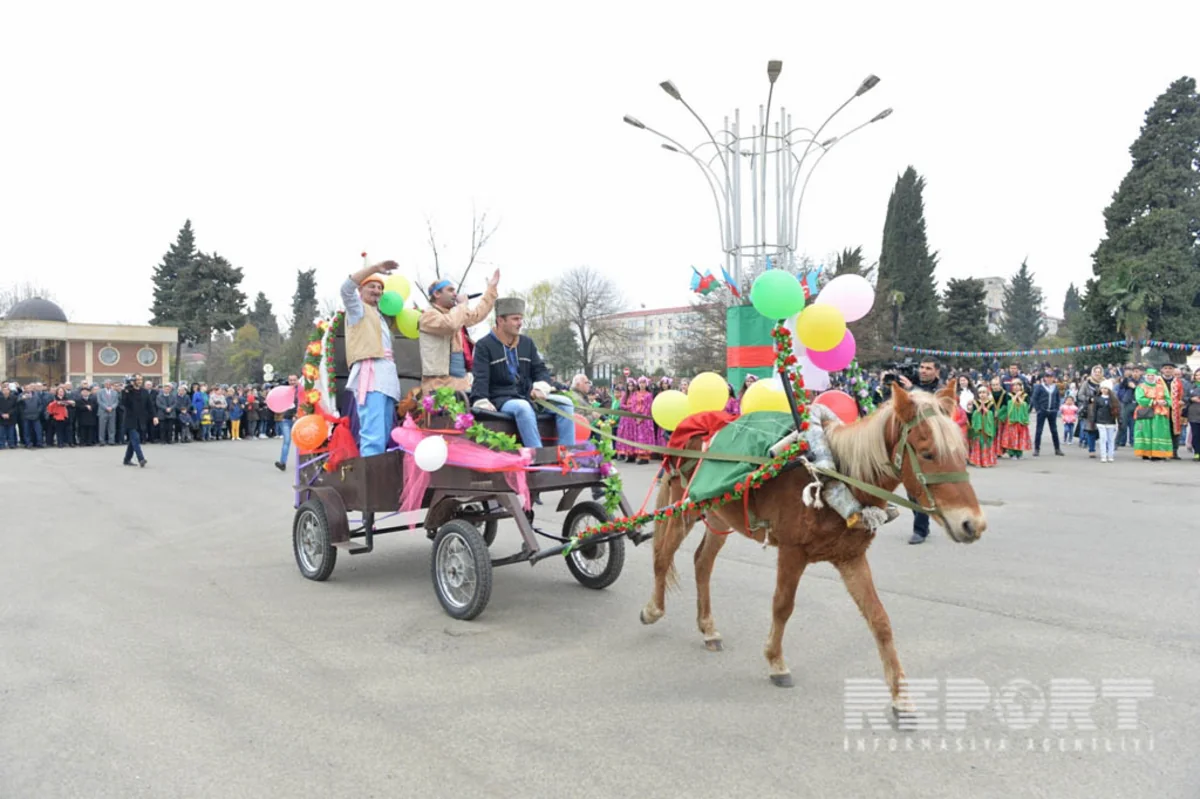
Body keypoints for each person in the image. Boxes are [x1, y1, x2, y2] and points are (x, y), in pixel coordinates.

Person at [469, 297, 575, 449]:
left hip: (527, 396)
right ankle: (537, 454)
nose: (520, 323)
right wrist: (481, 400)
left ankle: (566, 453)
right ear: (500, 320)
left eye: (521, 318)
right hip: (501, 399)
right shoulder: (484, 345)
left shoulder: (527, 343)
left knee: (565, 403)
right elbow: (481, 377)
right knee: (523, 407)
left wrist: (540, 387)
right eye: (515, 319)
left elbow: (540, 370)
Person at [340, 259, 403, 457]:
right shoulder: (357, 309)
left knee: (385, 433)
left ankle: (380, 473)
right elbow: (345, 289)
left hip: (386, 377)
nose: (377, 290)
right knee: (373, 436)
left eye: (380, 287)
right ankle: (370, 475)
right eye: (371, 286)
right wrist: (375, 268)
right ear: (360, 289)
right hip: (371, 376)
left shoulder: (381, 316)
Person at [879, 357, 941, 544]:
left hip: (928, 444)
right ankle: (923, 521)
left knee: (919, 486)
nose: (923, 371)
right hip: (907, 443)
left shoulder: (939, 389)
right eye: (921, 367)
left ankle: (920, 529)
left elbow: (931, 407)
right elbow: (888, 405)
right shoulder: (909, 383)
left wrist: (911, 389)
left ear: (936, 371)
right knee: (911, 489)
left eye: (928, 368)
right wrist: (889, 388)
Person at [418, 271, 500, 395]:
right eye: (450, 290)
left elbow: (477, 315)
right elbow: (450, 324)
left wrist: (491, 289)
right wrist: (462, 305)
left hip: (460, 382)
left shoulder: (456, 314)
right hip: (438, 384)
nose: (455, 294)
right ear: (436, 294)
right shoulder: (428, 316)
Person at [1134, 368, 1173, 461]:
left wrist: (1165, 402)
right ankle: (1145, 453)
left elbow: (1168, 399)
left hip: (1160, 414)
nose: (1150, 377)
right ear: (1145, 376)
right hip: (1145, 413)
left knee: (1159, 433)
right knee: (1145, 432)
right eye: (1148, 375)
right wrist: (1154, 401)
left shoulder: (1162, 387)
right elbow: (1140, 399)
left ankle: (1158, 454)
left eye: (1152, 376)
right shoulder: (1141, 387)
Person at [121, 374, 157, 468]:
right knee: (135, 438)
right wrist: (126, 390)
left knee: (133, 441)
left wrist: (154, 416)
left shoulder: (144, 391)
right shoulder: (128, 391)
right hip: (130, 419)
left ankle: (126, 459)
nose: (140, 381)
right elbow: (123, 403)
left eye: (141, 379)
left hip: (141, 419)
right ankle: (141, 459)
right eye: (137, 379)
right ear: (133, 381)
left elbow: (150, 405)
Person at [1031, 370, 1064, 456]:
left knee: (1054, 430)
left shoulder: (1055, 387)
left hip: (1052, 411)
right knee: (1039, 431)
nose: (1049, 379)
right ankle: (1037, 449)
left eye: (1051, 377)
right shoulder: (1040, 387)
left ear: (1053, 378)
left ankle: (1057, 449)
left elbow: (1058, 399)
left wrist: (1056, 408)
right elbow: (1034, 398)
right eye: (1047, 377)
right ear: (1044, 378)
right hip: (1042, 411)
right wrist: (1038, 409)